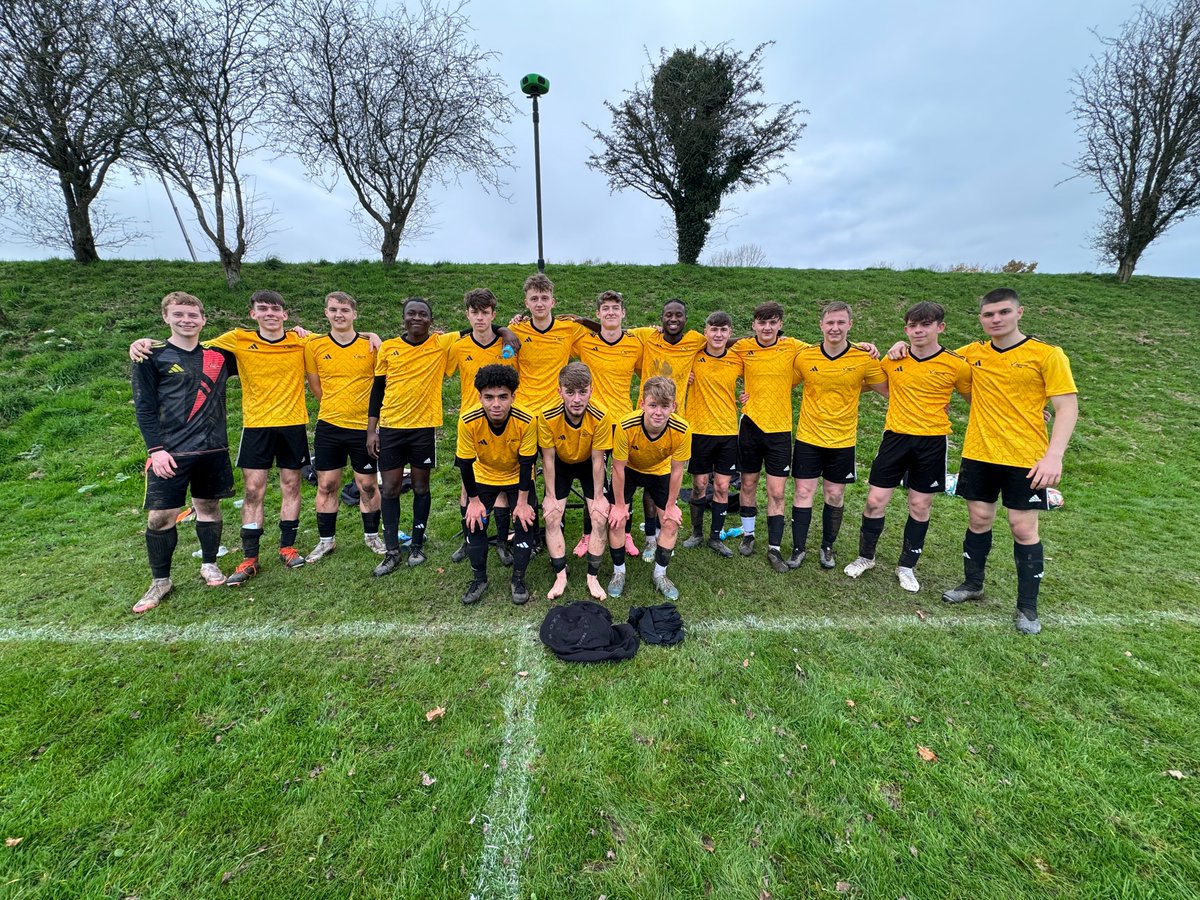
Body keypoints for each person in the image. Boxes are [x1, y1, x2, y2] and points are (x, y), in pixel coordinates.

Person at [132, 290, 313, 587]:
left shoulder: (301, 340)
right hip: (256, 426)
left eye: (275, 309)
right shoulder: (236, 339)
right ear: (252, 314)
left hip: (293, 424)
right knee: (253, 490)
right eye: (262, 308)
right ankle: (250, 557)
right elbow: (188, 345)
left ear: (285, 314)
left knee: (291, 486)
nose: (269, 313)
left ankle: (287, 547)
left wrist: (370, 335)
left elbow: (338, 337)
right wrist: (146, 342)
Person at [938, 288, 1078, 635]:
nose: (996, 319)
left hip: (1026, 457)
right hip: (979, 452)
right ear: (981, 319)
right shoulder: (971, 354)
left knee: (1022, 527)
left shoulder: (1047, 354)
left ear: (1019, 312)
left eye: (1003, 312)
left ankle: (1027, 607)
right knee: (979, 519)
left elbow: (1067, 406)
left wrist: (1054, 456)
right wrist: (899, 346)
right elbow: (932, 358)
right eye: (988, 314)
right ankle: (973, 584)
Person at [842, 301, 972, 592]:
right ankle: (866, 557)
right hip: (895, 439)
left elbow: (977, 399)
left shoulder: (956, 364)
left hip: (932, 442)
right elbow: (860, 381)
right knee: (875, 501)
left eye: (925, 325)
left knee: (919, 505)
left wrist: (1024, 410)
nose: (918, 330)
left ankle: (906, 566)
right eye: (913, 326)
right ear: (906, 329)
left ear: (940, 327)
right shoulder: (893, 359)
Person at [130, 292, 236, 612]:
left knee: (209, 507)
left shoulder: (220, 355)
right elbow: (144, 408)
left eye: (192, 315)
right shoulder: (151, 356)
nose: (186, 320)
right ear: (166, 317)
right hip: (170, 453)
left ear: (203, 319)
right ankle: (161, 580)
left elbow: (264, 347)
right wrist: (156, 450)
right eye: (178, 315)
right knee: (160, 517)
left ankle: (209, 564)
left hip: (212, 448)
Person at [788, 301, 888, 572]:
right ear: (821, 325)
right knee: (803, 492)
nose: (835, 327)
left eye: (841, 322)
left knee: (834, 495)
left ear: (850, 325)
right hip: (809, 437)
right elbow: (782, 381)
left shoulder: (864, 358)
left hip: (842, 440)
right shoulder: (805, 356)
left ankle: (827, 546)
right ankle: (798, 549)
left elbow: (889, 388)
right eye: (830, 322)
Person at [367, 297, 461, 575]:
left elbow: (477, 328)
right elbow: (377, 390)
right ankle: (392, 551)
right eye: (411, 313)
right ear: (404, 318)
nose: (417, 318)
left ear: (431, 320)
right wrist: (372, 430)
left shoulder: (440, 344)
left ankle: (417, 544)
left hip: (423, 428)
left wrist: (505, 331)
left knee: (421, 486)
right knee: (390, 488)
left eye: (423, 314)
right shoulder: (389, 347)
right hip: (391, 427)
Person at [303, 291, 386, 562]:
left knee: (368, 485)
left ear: (354, 314)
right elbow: (315, 385)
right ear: (326, 313)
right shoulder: (314, 345)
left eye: (345, 310)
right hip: (329, 425)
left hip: (364, 428)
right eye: (333, 310)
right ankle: (326, 541)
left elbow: (381, 383)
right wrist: (335, 406)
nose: (339, 315)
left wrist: (373, 335)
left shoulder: (371, 345)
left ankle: (372, 536)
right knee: (327, 484)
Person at [731, 301, 810, 568]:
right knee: (748, 484)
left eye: (772, 322)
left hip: (779, 430)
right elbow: (715, 348)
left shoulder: (793, 346)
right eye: (762, 322)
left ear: (780, 325)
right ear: (754, 325)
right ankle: (748, 535)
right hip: (751, 425)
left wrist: (863, 346)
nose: (767, 327)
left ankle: (774, 548)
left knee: (777, 491)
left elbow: (827, 349)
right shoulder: (743, 347)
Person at [628, 298, 707, 561]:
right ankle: (650, 537)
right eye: (668, 315)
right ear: (661, 318)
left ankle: (660, 532)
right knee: (644, 480)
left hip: (674, 424)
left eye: (678, 315)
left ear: (686, 319)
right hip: (645, 420)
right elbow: (614, 330)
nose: (673, 319)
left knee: (662, 483)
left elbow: (724, 342)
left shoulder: (696, 340)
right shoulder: (648, 335)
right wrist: (582, 320)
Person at [445, 288, 519, 564]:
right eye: (474, 312)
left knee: (501, 482)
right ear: (467, 314)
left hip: (504, 421)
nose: (479, 318)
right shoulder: (458, 346)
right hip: (471, 424)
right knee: (468, 484)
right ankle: (469, 539)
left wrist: (506, 331)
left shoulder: (508, 344)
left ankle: (501, 541)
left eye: (485, 313)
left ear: (493, 314)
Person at [456, 364, 538, 605]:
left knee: (524, 522)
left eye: (503, 397)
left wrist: (522, 503)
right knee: (474, 524)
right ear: (479, 397)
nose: (496, 404)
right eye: (489, 397)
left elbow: (527, 463)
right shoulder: (467, 420)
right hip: (483, 476)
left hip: (517, 477)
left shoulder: (527, 420)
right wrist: (473, 502)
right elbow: (465, 464)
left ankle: (518, 580)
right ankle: (479, 579)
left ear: (513, 396)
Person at [606, 376, 692, 601]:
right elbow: (617, 468)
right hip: (630, 469)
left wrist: (671, 505)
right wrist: (619, 505)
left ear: (674, 406)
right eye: (653, 405)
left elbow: (677, 471)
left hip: (660, 471)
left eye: (665, 406)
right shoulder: (626, 425)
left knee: (670, 522)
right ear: (642, 403)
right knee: (617, 519)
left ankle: (660, 574)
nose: (658, 412)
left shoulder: (682, 429)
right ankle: (618, 572)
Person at [538, 362, 612, 601]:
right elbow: (548, 460)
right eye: (570, 392)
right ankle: (560, 575)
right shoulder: (546, 416)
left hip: (589, 462)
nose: (577, 399)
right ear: (559, 391)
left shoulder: (601, 416)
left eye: (583, 392)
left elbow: (598, 460)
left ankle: (593, 577)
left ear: (592, 390)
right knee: (552, 515)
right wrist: (550, 497)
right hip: (560, 463)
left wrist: (599, 498)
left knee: (599, 516)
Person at [681, 311, 743, 558]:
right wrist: (684, 377)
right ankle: (696, 533)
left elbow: (759, 377)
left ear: (729, 333)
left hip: (727, 432)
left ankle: (715, 537)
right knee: (699, 485)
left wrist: (748, 395)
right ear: (705, 332)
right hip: (698, 431)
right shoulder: (693, 356)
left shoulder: (737, 359)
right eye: (713, 329)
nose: (718, 334)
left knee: (722, 486)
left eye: (723, 330)